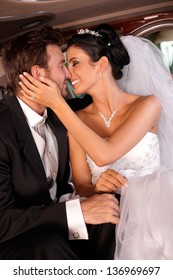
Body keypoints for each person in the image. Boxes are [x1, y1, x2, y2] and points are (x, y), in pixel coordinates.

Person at [19, 23, 173, 259]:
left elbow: (105, 154)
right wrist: (96, 187)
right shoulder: (78, 119)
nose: (68, 74)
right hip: (109, 218)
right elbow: (82, 185)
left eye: (74, 63)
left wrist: (57, 104)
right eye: (66, 64)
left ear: (101, 64)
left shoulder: (148, 105)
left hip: (155, 210)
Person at [0, 24, 122, 260]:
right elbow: (3, 221)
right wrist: (76, 212)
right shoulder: (2, 130)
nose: (68, 74)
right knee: (48, 243)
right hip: (15, 239)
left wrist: (95, 194)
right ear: (39, 74)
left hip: (52, 222)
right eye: (61, 65)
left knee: (111, 209)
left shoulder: (60, 116)